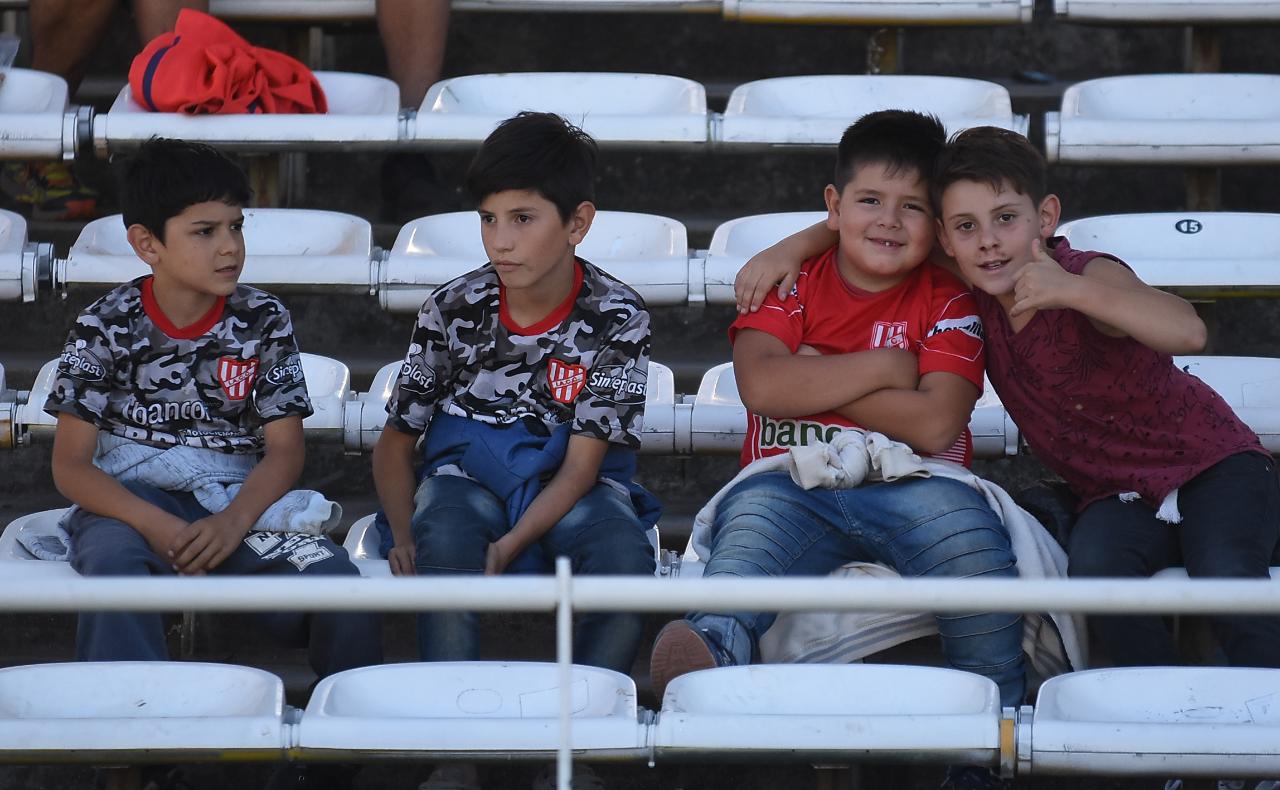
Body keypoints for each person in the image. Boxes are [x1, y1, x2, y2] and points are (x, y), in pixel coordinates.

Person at [649, 110, 1024, 790]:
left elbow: (937, 425)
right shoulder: (791, 283)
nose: (888, 220)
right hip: (791, 480)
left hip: (919, 480)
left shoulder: (950, 298)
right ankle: (711, 649)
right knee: (747, 546)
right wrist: (887, 369)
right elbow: (763, 383)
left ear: (936, 226)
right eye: (870, 202)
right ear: (833, 206)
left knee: (975, 552)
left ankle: (992, 729)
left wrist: (818, 371)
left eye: (912, 207)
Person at [43, 137, 382, 790]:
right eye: (204, 231)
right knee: (112, 567)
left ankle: (344, 756)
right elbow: (72, 469)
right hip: (129, 501)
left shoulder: (262, 320)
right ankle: (129, 760)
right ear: (148, 244)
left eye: (235, 227)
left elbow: (285, 452)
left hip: (239, 502)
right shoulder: (104, 324)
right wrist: (153, 524)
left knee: (339, 587)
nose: (229, 246)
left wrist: (232, 524)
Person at [371, 111, 658, 790]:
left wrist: (509, 545)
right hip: (466, 474)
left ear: (578, 223)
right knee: (443, 527)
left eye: (523, 218)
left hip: (570, 485)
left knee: (623, 553)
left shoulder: (618, 316)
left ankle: (585, 741)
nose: (502, 240)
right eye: (489, 219)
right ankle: (454, 750)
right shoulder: (453, 308)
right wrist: (405, 533)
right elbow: (394, 445)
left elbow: (585, 465)